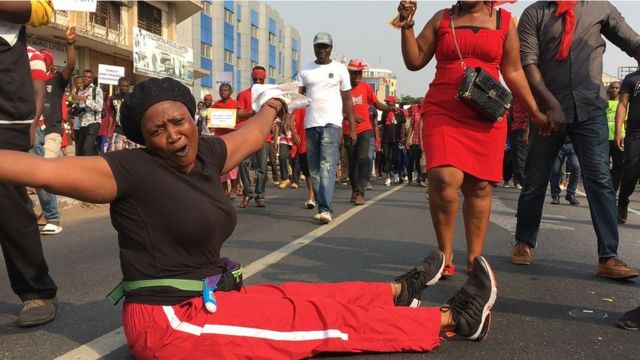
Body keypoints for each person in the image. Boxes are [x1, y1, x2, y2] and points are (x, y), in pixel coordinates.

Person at [0, 77, 499, 357]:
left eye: (178, 121)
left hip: (210, 299)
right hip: (168, 325)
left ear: (193, 118)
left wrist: (277, 101)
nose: (172, 135)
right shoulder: (126, 171)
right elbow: (35, 168)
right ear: (142, 139)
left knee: (299, 295)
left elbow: (257, 131)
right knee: (310, 324)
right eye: (157, 130)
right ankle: (452, 319)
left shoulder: (210, 154)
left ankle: (398, 293)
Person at [397, 0, 547, 276]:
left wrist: (534, 111)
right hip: (443, 109)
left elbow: (513, 71)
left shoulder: (504, 21)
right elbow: (415, 60)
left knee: (479, 187)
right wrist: (407, 24)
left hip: (486, 112)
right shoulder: (442, 18)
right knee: (444, 177)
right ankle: (445, 254)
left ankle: (474, 260)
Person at [511, 1, 639, 279]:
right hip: (549, 112)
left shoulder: (599, 7)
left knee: (600, 182)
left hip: (590, 109)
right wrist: (550, 104)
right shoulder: (534, 13)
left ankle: (608, 256)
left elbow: (632, 41)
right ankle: (523, 241)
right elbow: (528, 63)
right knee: (535, 181)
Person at [0, 0, 58, 328]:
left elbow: (41, 10)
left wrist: (31, 124)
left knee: (8, 205)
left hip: (4, 107)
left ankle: (36, 291)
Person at [296, 32, 357, 224]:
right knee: (314, 169)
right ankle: (323, 205)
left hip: (332, 123)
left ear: (331, 48)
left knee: (327, 166)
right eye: (318, 46)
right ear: (314, 48)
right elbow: (297, 97)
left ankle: (326, 209)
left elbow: (347, 98)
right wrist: (289, 119)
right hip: (311, 124)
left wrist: (352, 127)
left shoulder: (340, 69)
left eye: (325, 47)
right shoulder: (305, 70)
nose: (322, 50)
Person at [30, 27, 76, 235]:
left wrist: (70, 44)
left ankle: (53, 219)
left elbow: (72, 65)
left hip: (51, 132)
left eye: (43, 60)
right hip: (31, 130)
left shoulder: (57, 80)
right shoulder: (28, 82)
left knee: (43, 173)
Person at [344, 58, 396, 205]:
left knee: (363, 159)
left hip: (365, 130)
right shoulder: (342, 89)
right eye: (354, 74)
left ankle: (361, 192)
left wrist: (388, 108)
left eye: (359, 74)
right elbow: (336, 111)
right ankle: (354, 189)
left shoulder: (366, 87)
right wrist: (350, 116)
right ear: (349, 73)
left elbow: (376, 103)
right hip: (348, 131)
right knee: (352, 163)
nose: (357, 77)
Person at [236, 66, 269, 208]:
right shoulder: (243, 94)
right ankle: (247, 193)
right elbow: (238, 113)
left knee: (262, 167)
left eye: (260, 79)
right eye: (255, 79)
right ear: (251, 78)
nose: (257, 81)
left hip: (264, 135)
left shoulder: (269, 95)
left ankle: (260, 195)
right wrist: (251, 113)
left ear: (264, 79)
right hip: (246, 134)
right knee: (242, 163)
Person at [615, 68, 640, 225]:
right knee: (631, 172)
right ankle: (623, 200)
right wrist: (618, 132)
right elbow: (622, 105)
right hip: (635, 132)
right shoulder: (631, 79)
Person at [211, 83, 240, 199]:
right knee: (220, 164)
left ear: (230, 92)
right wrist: (210, 122)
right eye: (221, 90)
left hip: (231, 136)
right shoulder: (216, 105)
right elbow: (211, 122)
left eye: (225, 90)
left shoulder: (235, 104)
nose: (223, 92)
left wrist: (234, 127)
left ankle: (234, 188)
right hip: (219, 136)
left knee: (232, 164)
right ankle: (224, 189)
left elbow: (239, 120)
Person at [72, 69, 103, 156]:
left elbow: (99, 107)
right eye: (84, 77)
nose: (86, 79)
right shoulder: (80, 91)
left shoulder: (96, 90)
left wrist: (85, 99)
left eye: (89, 77)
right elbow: (80, 107)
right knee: (79, 149)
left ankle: (89, 167)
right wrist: (74, 109)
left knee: (87, 147)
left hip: (93, 123)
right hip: (82, 123)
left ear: (92, 79)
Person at [380, 96, 405, 187]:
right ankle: (387, 177)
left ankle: (396, 172)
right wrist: (380, 139)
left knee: (396, 158)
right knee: (386, 157)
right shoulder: (385, 111)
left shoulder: (400, 113)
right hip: (386, 139)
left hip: (396, 139)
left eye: (389, 102)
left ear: (394, 102)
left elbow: (403, 126)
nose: (387, 103)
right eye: (386, 102)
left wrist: (403, 138)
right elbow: (382, 125)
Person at [549, 138, 581, 205]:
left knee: (576, 168)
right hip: (557, 143)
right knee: (555, 170)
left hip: (573, 144)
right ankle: (555, 195)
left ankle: (570, 194)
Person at [106, 77, 132, 151]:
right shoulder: (113, 98)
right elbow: (112, 115)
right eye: (123, 86)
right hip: (118, 130)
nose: (125, 88)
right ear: (119, 86)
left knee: (132, 155)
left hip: (131, 131)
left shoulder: (133, 97)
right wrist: (109, 131)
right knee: (115, 153)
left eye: (127, 86)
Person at [607, 81, 624, 192]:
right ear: (609, 90)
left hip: (619, 140)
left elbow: (626, 122)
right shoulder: (603, 103)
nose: (614, 90)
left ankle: (613, 190)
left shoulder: (623, 104)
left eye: (617, 88)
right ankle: (605, 190)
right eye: (612, 87)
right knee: (603, 167)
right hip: (604, 139)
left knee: (618, 167)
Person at [509, 98, 529, 189]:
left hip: (522, 130)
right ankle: (525, 185)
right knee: (517, 161)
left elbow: (530, 114)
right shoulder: (514, 97)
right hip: (515, 129)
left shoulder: (523, 95)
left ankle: (527, 187)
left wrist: (527, 132)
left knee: (520, 161)